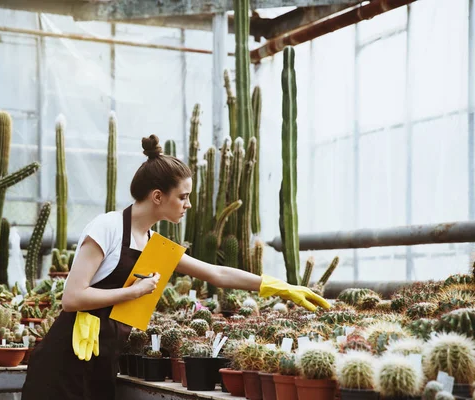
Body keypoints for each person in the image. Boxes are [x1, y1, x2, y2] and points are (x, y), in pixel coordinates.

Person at [21, 135, 330, 400]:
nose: (188, 204)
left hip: (101, 363)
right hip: (62, 367)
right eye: (183, 197)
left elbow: (216, 273)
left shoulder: (155, 244)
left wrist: (279, 286)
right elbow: (72, 298)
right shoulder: (108, 227)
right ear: (158, 196)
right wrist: (133, 292)